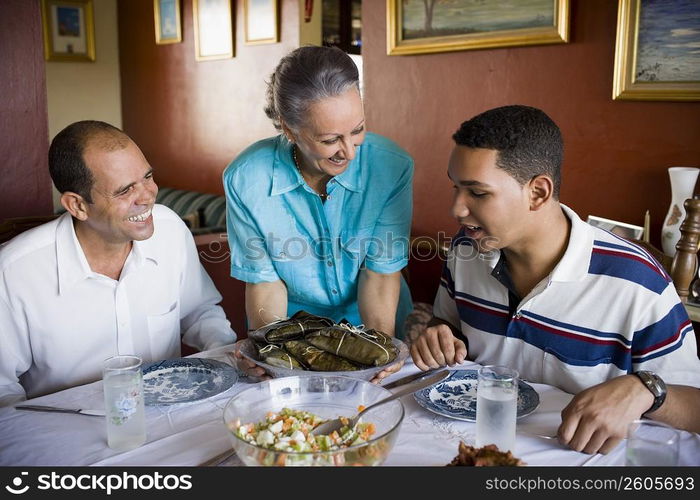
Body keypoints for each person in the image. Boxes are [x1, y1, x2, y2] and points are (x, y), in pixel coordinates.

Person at [411, 105, 700, 454]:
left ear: (538, 192)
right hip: (473, 450)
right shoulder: (465, 248)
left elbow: (694, 408)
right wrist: (438, 335)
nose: (456, 208)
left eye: (478, 192)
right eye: (456, 188)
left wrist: (645, 390)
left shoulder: (637, 280)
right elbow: (449, 325)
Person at [0, 121, 236, 406]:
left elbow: (199, 312)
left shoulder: (170, 228)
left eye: (147, 177)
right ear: (77, 205)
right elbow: (3, 390)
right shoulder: (15, 271)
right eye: (125, 191)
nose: (148, 197)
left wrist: (227, 358)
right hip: (66, 434)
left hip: (171, 412)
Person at [223, 46, 413, 379]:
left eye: (357, 130)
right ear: (289, 129)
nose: (350, 152)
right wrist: (273, 353)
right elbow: (265, 283)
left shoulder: (391, 166)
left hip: (376, 323)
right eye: (330, 140)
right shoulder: (245, 178)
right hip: (297, 334)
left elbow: (380, 274)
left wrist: (380, 353)